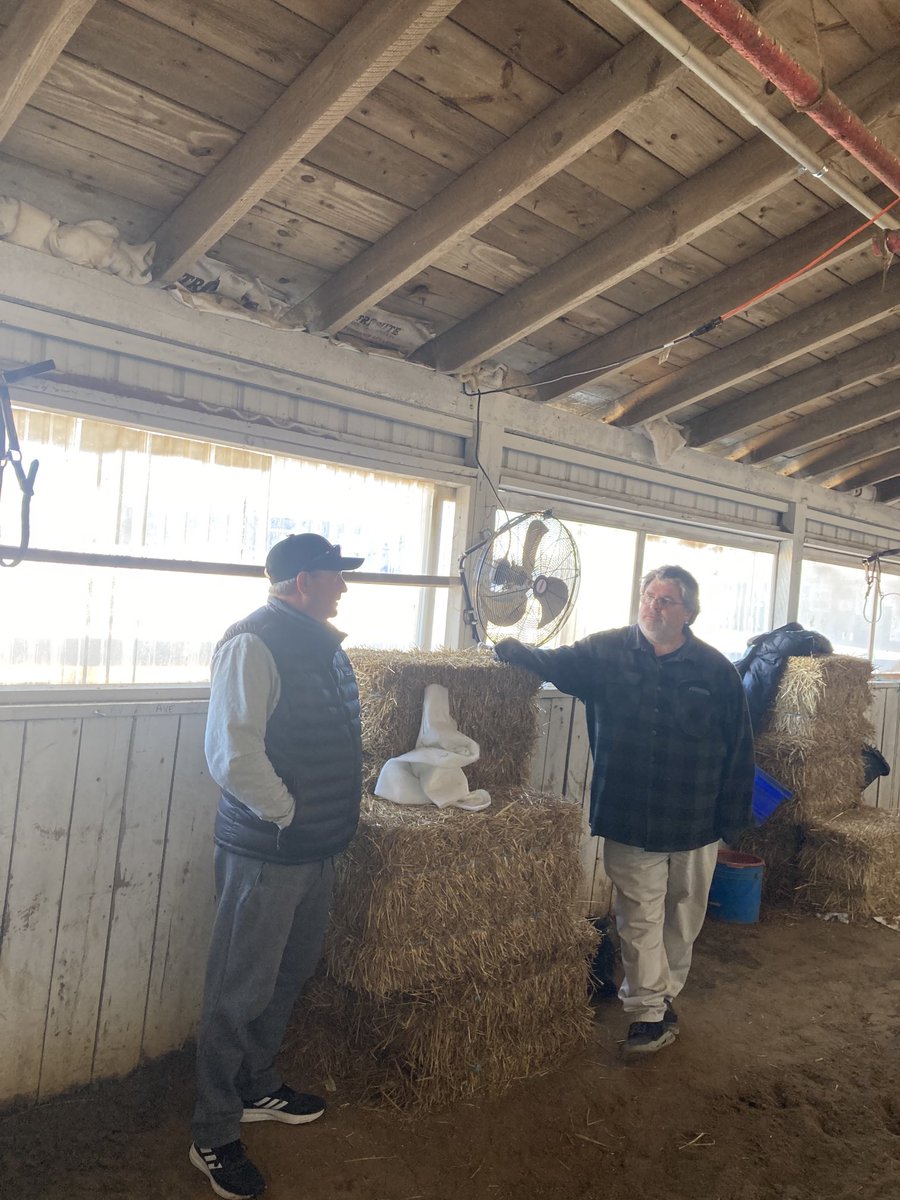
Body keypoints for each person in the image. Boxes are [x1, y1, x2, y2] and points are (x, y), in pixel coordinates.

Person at [494, 564, 753, 1057]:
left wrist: (732, 820)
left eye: (666, 600)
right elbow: (555, 662)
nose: (653, 607)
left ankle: (663, 996)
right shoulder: (604, 652)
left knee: (682, 916)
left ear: (689, 613)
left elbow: (740, 748)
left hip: (696, 819)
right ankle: (647, 1014)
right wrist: (514, 651)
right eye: (649, 596)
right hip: (629, 814)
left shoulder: (717, 670)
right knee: (637, 917)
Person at [191, 533, 365, 1198]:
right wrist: (288, 814)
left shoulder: (318, 644)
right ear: (301, 581)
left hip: (313, 849)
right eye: (333, 576)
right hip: (268, 851)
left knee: (287, 975)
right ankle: (212, 1130)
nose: (343, 587)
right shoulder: (254, 642)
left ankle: (258, 1086)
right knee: (237, 990)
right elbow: (232, 753)